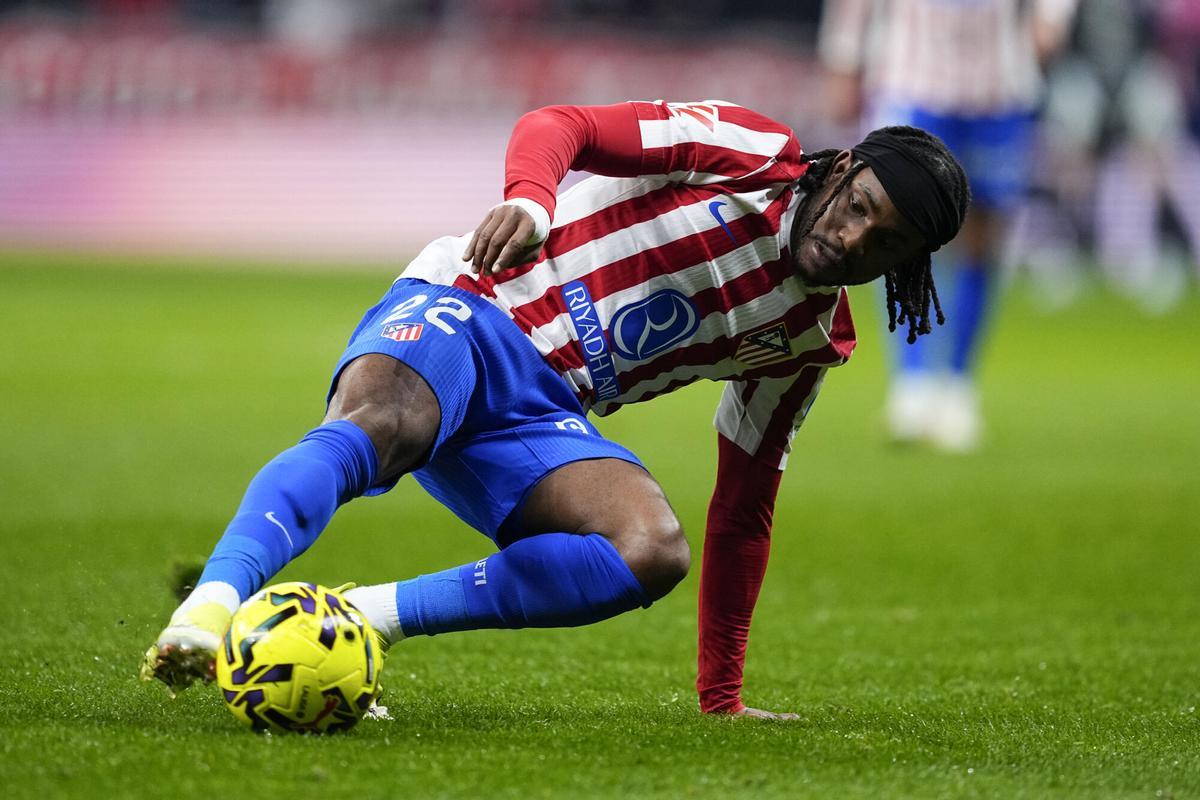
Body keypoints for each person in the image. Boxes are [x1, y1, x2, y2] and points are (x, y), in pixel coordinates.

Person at [141, 100, 969, 719]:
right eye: (860, 207)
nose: (856, 241)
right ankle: (210, 606)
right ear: (843, 168)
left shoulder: (807, 339)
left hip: (540, 416)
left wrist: (722, 696)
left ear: (908, 269)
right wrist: (533, 199)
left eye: (887, 245)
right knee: (385, 426)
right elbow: (562, 123)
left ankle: (360, 616)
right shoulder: (749, 152)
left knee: (651, 550)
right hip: (475, 302)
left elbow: (744, 510)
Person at [820, 0, 1076, 452]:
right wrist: (843, 60)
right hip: (911, 85)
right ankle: (912, 386)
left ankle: (958, 388)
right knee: (897, 231)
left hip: (999, 88)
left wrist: (1051, 18)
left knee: (982, 240)